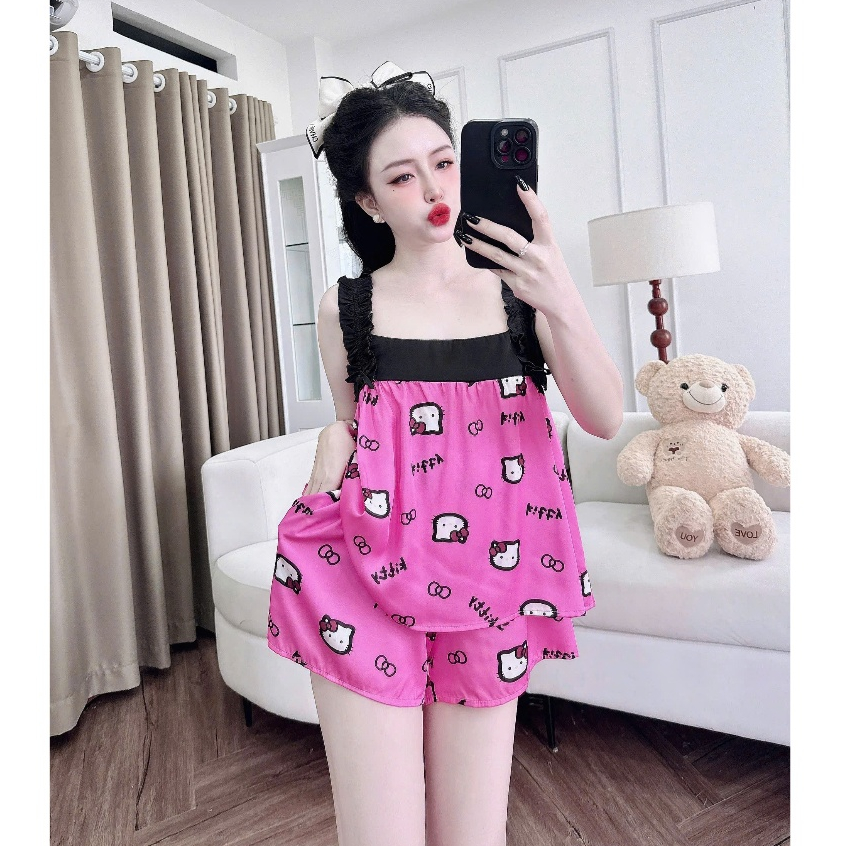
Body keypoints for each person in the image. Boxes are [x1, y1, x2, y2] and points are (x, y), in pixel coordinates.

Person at [267, 61, 623, 846]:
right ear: (367, 200)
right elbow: (355, 428)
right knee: (380, 832)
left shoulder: (521, 290)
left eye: (444, 163)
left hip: (494, 580)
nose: (433, 189)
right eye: (401, 176)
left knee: (472, 832)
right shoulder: (345, 306)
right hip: (359, 571)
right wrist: (326, 461)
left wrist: (560, 294)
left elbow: (602, 416)